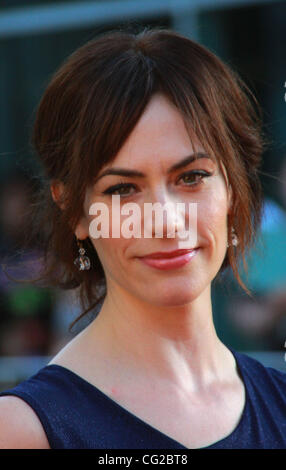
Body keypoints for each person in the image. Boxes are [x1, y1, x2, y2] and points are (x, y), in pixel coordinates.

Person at [0, 27, 285, 450]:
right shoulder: (25, 431)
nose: (166, 221)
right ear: (75, 210)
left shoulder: (279, 403)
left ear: (234, 189)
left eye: (192, 177)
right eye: (122, 189)